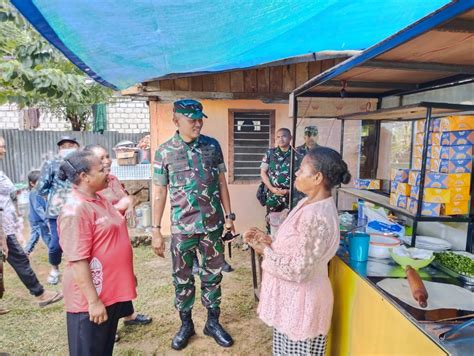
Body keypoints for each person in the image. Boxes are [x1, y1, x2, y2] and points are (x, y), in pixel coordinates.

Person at [244, 146, 351, 356]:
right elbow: (297, 246)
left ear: (317, 177)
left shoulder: (316, 216)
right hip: (292, 304)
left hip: (302, 307)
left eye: (301, 170)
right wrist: (269, 241)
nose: (296, 173)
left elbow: (297, 270)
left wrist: (265, 251)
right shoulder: (306, 203)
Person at [152, 99, 235, 350]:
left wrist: (229, 216)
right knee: (182, 278)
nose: (198, 123)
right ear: (176, 121)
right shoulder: (164, 151)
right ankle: (186, 324)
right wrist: (155, 230)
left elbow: (221, 183)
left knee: (213, 275)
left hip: (212, 226)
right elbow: (159, 191)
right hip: (182, 228)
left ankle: (212, 322)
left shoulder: (212, 146)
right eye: (192, 119)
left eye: (200, 118)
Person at [57, 150, 137, 356]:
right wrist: (93, 302)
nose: (108, 173)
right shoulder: (75, 210)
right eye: (101, 170)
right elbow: (78, 260)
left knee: (103, 350)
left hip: (108, 292)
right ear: (84, 177)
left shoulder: (99, 199)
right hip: (89, 300)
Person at [84, 144, 152, 328]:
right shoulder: (91, 187)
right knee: (108, 282)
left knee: (123, 276)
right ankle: (108, 325)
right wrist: (120, 207)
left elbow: (127, 198)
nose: (108, 161)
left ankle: (129, 315)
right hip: (103, 242)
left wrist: (128, 203)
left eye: (108, 156)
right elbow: (97, 214)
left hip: (118, 237)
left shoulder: (112, 179)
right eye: (102, 159)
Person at [0, 136, 63, 309]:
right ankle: (40, 293)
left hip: (7, 223)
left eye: (4, 146)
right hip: (3, 228)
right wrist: (2, 236)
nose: (4, 150)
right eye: (2, 147)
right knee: (20, 259)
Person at [37, 135, 79, 285]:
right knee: (56, 243)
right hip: (57, 213)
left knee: (80, 241)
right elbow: (41, 188)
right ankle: (54, 268)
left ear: (77, 147)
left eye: (70, 145)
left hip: (80, 210)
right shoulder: (51, 164)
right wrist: (54, 199)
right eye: (63, 146)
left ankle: (79, 270)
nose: (66, 149)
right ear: (59, 149)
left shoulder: (83, 164)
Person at [260, 128, 302, 233]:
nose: (280, 139)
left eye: (284, 136)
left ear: (290, 138)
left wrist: (291, 190)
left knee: (292, 225)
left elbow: (302, 176)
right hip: (273, 196)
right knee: (272, 224)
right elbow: (263, 173)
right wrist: (272, 189)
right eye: (278, 137)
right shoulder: (270, 153)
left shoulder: (297, 155)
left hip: (292, 197)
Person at [23, 170, 51, 255]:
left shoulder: (41, 191)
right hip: (38, 219)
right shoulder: (34, 192)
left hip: (37, 218)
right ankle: (53, 250)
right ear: (32, 183)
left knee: (35, 235)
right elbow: (38, 208)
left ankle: (26, 251)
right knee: (45, 235)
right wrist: (47, 220)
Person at [293, 125, 320, 204]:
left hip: (316, 189)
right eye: (308, 135)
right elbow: (292, 170)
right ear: (304, 137)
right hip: (300, 191)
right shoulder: (296, 151)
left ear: (318, 136)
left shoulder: (322, 152)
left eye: (314, 135)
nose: (311, 137)